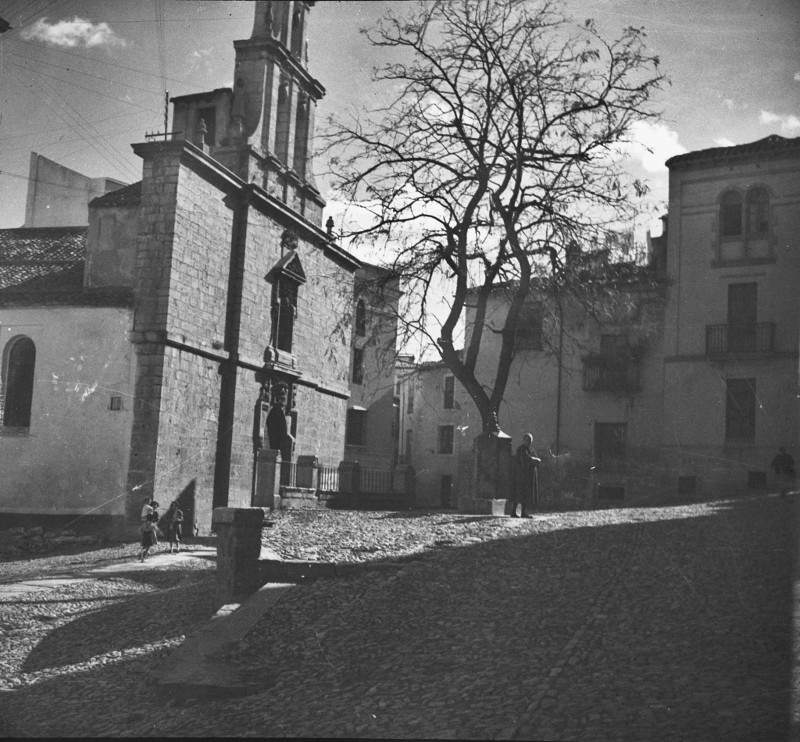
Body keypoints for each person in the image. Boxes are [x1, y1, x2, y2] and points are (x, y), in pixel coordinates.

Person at [509, 433, 541, 518]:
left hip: (529, 476)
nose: (529, 442)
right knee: (518, 493)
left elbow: (536, 459)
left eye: (530, 440)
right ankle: (513, 512)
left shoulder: (531, 450)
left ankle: (523, 512)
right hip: (520, 475)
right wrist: (533, 459)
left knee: (526, 494)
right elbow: (525, 458)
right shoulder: (521, 449)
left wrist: (535, 459)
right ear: (524, 440)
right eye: (527, 440)